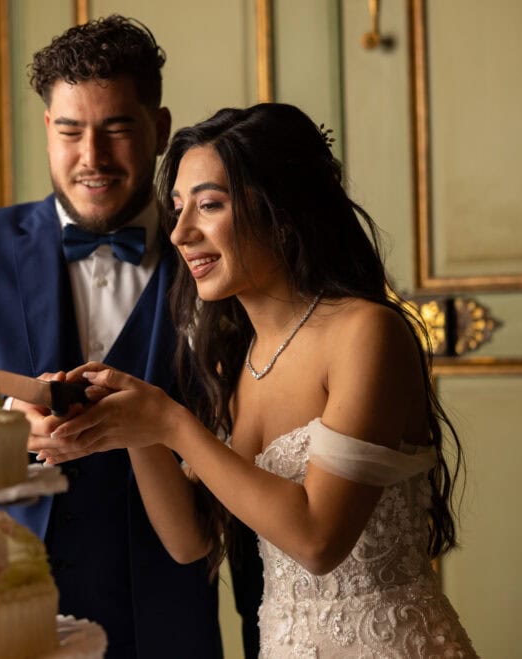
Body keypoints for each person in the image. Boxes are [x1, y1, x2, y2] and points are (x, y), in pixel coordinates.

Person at [39, 103, 479, 657]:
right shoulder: (234, 359)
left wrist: (172, 423)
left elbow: (319, 541)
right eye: (177, 209)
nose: (180, 233)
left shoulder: (366, 334)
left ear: (281, 209)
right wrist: (137, 426)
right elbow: (189, 541)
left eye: (209, 205)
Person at [0, 15, 263, 659]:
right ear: (48, 130)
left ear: (158, 130)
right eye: (70, 132)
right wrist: (8, 426)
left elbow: (256, 448)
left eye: (116, 129)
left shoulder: (223, 257)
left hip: (164, 618)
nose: (91, 158)